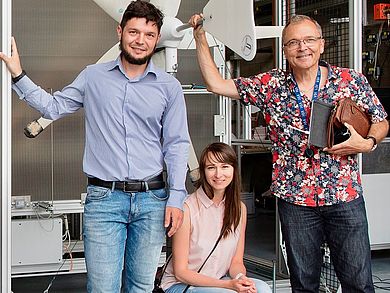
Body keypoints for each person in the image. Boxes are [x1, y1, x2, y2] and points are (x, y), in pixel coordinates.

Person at [188, 14, 389, 293]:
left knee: (357, 282)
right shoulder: (271, 85)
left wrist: (368, 143)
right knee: (303, 283)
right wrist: (200, 37)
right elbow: (216, 84)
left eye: (308, 40)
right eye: (293, 42)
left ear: (321, 45)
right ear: (284, 50)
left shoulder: (349, 80)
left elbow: (381, 120)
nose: (302, 47)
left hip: (344, 196)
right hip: (295, 201)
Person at [0, 1, 190, 292]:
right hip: (105, 200)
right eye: (133, 32)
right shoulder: (93, 77)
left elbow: (176, 144)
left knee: (140, 286)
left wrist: (176, 197)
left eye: (149, 35)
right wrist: (18, 75)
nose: (140, 41)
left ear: (157, 38)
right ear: (120, 32)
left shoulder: (169, 87)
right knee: (102, 287)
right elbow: (54, 106)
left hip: (153, 200)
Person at [160, 142, 272, 293]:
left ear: (233, 169)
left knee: (262, 289)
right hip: (181, 285)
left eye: (225, 166)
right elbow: (181, 273)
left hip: (218, 282)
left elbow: (236, 262)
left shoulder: (239, 209)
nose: (219, 174)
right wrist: (228, 285)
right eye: (211, 167)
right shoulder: (187, 208)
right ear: (203, 172)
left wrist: (240, 278)